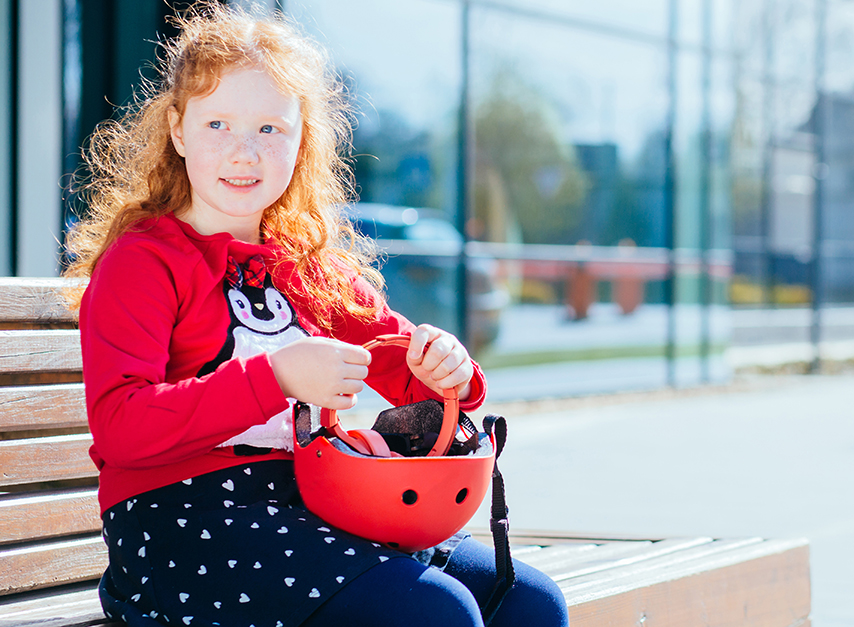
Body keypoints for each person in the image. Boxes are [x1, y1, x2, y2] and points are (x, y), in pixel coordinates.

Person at [63, 3, 567, 626]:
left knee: (529, 601)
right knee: (435, 612)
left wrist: (450, 371)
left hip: (318, 505)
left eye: (270, 129)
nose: (244, 152)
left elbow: (403, 365)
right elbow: (121, 425)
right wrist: (273, 376)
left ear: (301, 141)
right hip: (181, 526)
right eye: (217, 123)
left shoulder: (303, 266)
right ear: (177, 131)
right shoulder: (143, 261)